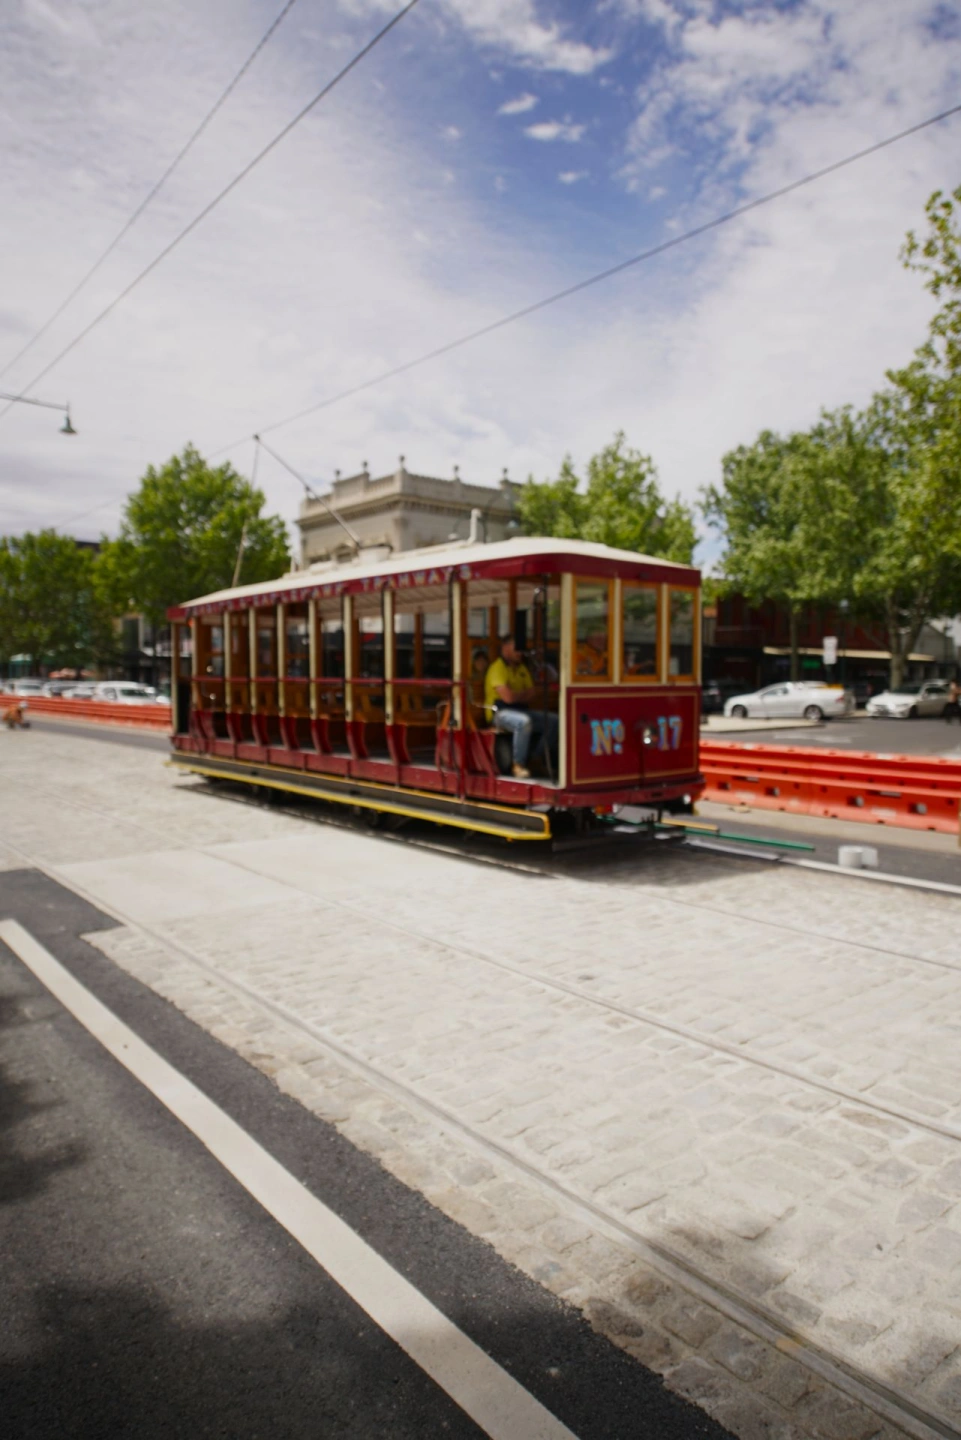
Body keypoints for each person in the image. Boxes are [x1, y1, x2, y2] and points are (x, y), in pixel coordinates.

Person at [485, 634, 557, 779]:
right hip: (499, 713)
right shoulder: (497, 668)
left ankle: (535, 758)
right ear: (505, 649)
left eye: (521, 650)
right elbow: (508, 698)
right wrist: (521, 694)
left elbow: (533, 693)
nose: (520, 653)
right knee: (523, 722)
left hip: (520, 709)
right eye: (516, 649)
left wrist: (516, 694)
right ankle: (518, 764)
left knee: (555, 721)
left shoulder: (522, 668)